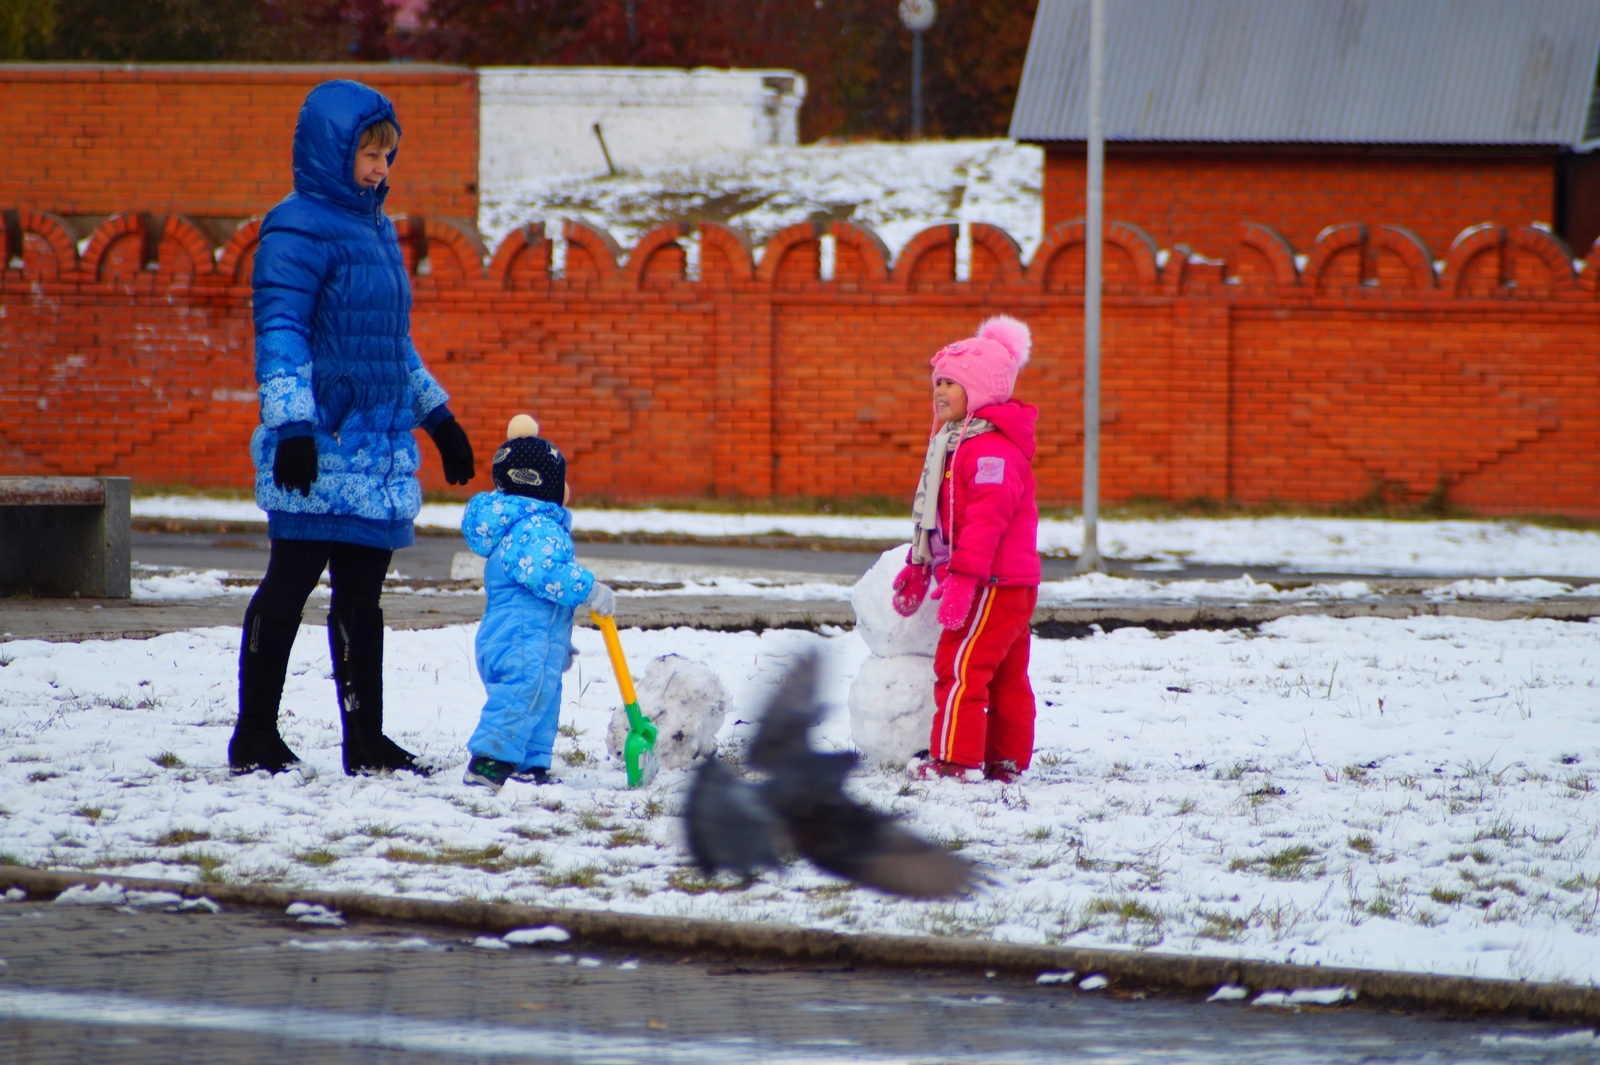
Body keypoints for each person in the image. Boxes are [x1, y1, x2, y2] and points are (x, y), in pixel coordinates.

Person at [227, 80, 476, 776]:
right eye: (368, 152)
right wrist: (293, 424)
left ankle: (365, 739)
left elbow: (390, 341)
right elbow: (280, 329)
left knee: (362, 598)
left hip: (378, 449)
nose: (379, 167)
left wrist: (440, 417)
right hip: (319, 442)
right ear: (332, 151)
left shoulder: (377, 229)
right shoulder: (297, 226)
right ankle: (254, 734)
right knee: (289, 584)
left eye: (387, 154)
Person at [892, 316, 1040, 784]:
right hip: (1005, 582)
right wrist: (921, 564)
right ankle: (1006, 760)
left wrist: (962, 577)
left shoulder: (990, 451)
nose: (939, 393)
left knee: (960, 668)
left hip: (991, 582)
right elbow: (943, 518)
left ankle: (955, 762)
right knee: (1004, 675)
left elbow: (985, 523)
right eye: (938, 383)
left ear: (978, 391)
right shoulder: (958, 444)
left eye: (952, 384)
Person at [460, 415, 616, 790]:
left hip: (526, 635)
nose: (568, 489)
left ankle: (530, 763)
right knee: (523, 693)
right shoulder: (536, 528)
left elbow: (539, 594)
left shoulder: (525, 525)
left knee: (539, 697)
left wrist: (556, 641)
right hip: (520, 637)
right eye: (563, 480)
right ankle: (489, 760)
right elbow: (547, 574)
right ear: (544, 484)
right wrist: (589, 589)